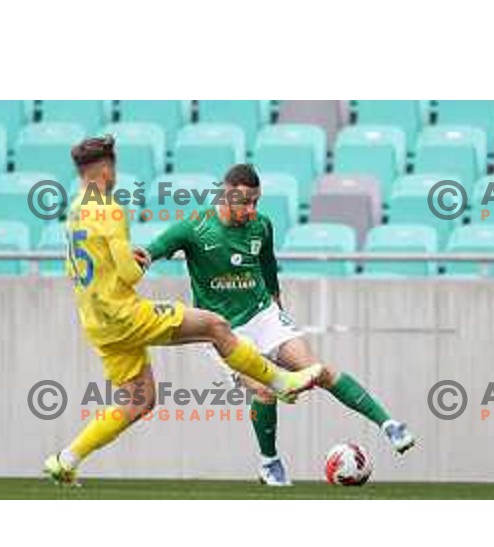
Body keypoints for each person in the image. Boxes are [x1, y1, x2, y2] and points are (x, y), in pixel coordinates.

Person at [44, 139, 322, 485]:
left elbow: (86, 262)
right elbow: (129, 274)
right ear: (106, 170)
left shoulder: (75, 210)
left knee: (140, 400)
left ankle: (66, 459)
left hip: (96, 322)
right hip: (123, 315)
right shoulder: (110, 209)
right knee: (215, 325)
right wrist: (135, 259)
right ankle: (281, 380)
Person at [141, 163, 415, 486]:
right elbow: (155, 249)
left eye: (256, 201)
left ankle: (389, 425)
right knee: (264, 391)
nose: (252, 209)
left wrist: (277, 306)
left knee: (318, 371)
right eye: (245, 202)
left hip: (264, 315)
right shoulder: (196, 228)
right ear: (226, 195)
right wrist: (141, 256)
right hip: (220, 329)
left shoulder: (262, 226)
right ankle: (270, 463)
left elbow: (268, 267)